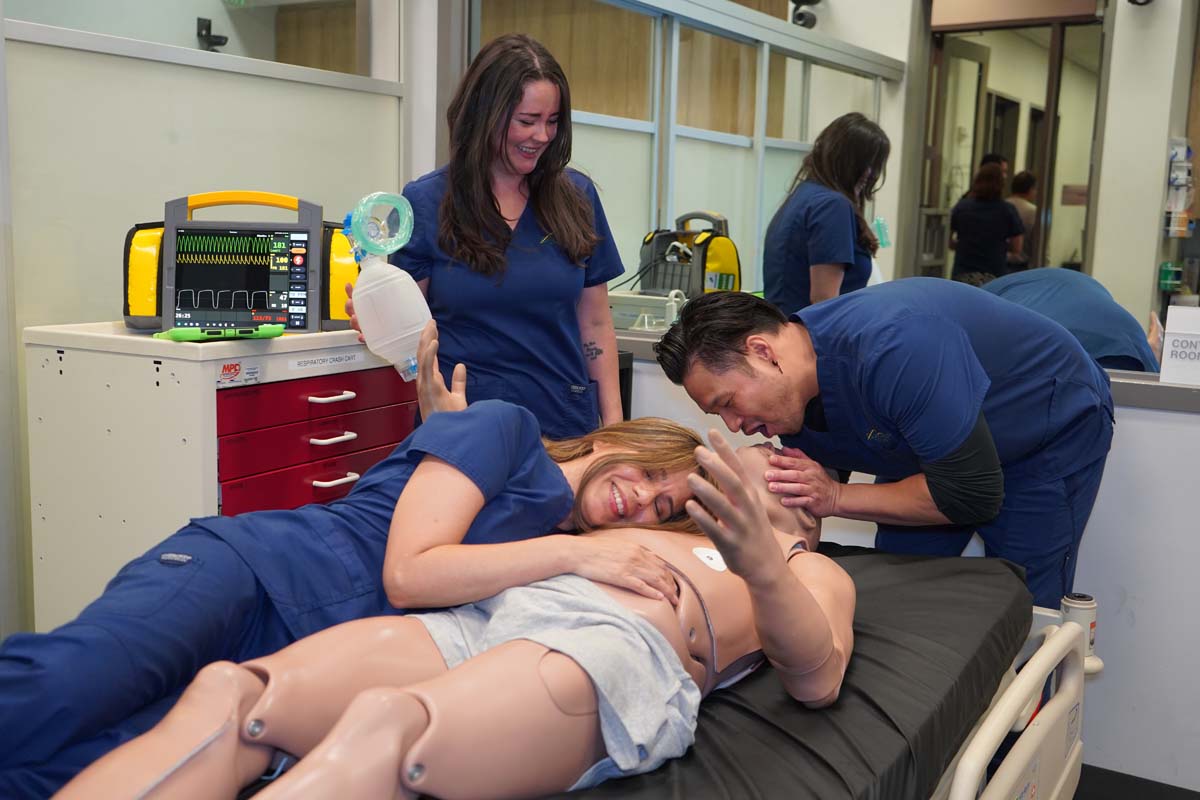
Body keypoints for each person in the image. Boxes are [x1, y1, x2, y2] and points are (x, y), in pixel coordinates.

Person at [0, 327, 704, 798]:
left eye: (663, 508)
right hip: (249, 571)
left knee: (85, 765)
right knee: (63, 688)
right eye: (652, 474)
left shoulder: (561, 550)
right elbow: (410, 573)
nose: (641, 501)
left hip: (293, 652)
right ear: (626, 438)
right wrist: (575, 555)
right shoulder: (508, 428)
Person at [53, 431, 854, 800]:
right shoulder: (656, 521)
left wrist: (761, 558)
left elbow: (814, 676)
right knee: (233, 696)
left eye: (774, 458)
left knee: (382, 729)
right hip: (496, 609)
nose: (754, 450)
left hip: (614, 648)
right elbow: (519, 499)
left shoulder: (805, 568)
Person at [654, 281, 1115, 608]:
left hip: (1045, 426)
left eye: (729, 403)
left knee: (1026, 603)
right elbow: (817, 471)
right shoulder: (790, 388)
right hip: (926, 443)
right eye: (721, 416)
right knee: (901, 586)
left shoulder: (895, 347)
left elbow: (971, 494)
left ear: (762, 351)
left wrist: (833, 497)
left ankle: (1021, 740)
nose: (737, 426)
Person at [347, 33, 624, 439]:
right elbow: (413, 329)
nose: (543, 136)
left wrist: (616, 431)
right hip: (462, 425)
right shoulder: (428, 202)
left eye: (552, 121)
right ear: (485, 115)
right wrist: (378, 318)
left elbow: (596, 323)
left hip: (563, 422)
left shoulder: (576, 197)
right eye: (527, 121)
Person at [762, 112, 891, 313]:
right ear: (846, 160)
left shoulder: (803, 195)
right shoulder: (832, 206)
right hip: (812, 338)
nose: (870, 174)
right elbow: (824, 302)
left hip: (784, 327)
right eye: (866, 164)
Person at [982, 267, 1160, 372]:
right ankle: (1150, 350)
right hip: (1127, 340)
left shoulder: (984, 301)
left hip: (1056, 350)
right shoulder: (1018, 286)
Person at [950, 163, 1025, 283]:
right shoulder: (1007, 210)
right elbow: (1017, 247)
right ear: (1001, 184)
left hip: (963, 274)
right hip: (994, 275)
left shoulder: (962, 207)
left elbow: (947, 241)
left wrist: (963, 245)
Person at [1006, 171, 1038, 268]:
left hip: (1001, 263)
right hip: (1021, 265)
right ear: (1030, 189)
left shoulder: (1002, 205)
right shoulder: (1032, 211)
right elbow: (1036, 243)